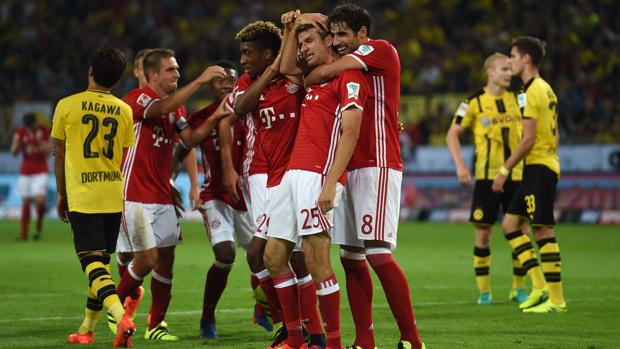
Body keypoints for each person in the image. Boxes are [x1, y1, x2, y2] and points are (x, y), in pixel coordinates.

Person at [302, 4, 425, 349]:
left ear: (361, 34)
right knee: (351, 256)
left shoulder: (379, 49)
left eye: (343, 34)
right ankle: (364, 341)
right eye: (334, 35)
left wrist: (317, 69)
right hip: (347, 167)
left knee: (377, 252)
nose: (338, 42)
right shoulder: (346, 73)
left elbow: (324, 71)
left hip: (378, 163)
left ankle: (412, 340)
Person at [110, 48, 228, 341]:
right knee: (146, 259)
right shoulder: (138, 99)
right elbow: (160, 110)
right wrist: (200, 81)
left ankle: (156, 326)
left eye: (177, 69)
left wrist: (215, 118)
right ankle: (111, 308)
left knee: (166, 260)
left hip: (163, 195)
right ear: (152, 75)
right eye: (170, 70)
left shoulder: (176, 109)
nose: (177, 73)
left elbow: (189, 139)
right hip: (135, 194)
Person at [219, 20, 323, 348]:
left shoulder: (297, 78)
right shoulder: (251, 83)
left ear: (268, 52)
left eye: (249, 53)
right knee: (263, 256)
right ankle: (294, 328)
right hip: (271, 180)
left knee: (284, 257)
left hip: (298, 177)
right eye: (242, 53)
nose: (243, 59)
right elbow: (238, 109)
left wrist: (290, 41)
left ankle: (305, 331)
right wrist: (269, 73)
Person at [272, 15, 368, 349]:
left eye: (309, 41)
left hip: (317, 176)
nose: (302, 50)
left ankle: (334, 343)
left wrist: (330, 184)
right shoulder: (313, 79)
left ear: (329, 40)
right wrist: (290, 28)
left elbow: (351, 132)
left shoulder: (349, 77)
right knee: (273, 255)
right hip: (292, 175)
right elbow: (285, 67)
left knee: (316, 260)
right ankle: (296, 340)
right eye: (300, 44)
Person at [51, 46, 136, 347]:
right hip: (112, 193)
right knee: (100, 264)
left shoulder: (67, 105)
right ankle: (86, 330)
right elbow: (123, 153)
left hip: (83, 193)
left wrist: (61, 193)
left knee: (91, 263)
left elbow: (59, 153)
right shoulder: (125, 110)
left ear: (90, 71)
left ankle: (121, 318)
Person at [446, 52, 529, 305]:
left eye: (509, 69)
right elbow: (452, 134)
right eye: (504, 69)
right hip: (485, 178)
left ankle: (519, 289)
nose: (509, 73)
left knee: (522, 230)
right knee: (483, 234)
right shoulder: (471, 103)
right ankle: (485, 292)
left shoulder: (520, 98)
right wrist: (461, 166)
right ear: (490, 73)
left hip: (517, 175)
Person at [492, 36, 566, 313]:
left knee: (542, 228)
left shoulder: (534, 91)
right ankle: (539, 286)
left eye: (512, 56)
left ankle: (557, 300)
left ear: (526, 59)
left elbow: (528, 139)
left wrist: (504, 170)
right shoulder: (543, 89)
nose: (509, 61)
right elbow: (555, 132)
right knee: (511, 225)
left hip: (539, 167)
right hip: (541, 165)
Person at [11, 112, 51, 240]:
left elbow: (49, 152)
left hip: (41, 171)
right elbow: (13, 153)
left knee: (40, 201)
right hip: (25, 172)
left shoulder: (44, 130)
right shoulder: (21, 132)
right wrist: (17, 143)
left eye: (32, 125)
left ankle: (38, 229)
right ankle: (24, 233)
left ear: (36, 123)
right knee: (26, 202)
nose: (30, 128)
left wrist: (39, 141)